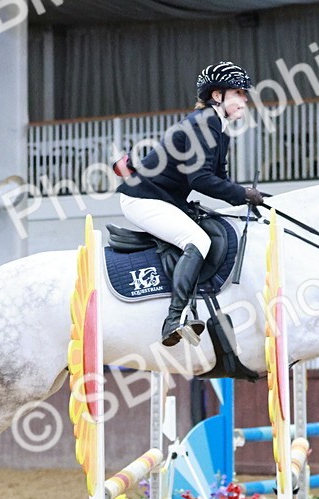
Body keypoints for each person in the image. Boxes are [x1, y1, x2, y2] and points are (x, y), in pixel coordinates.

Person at [117, 61, 266, 346]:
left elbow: (219, 177)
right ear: (217, 96)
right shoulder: (205, 122)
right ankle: (175, 318)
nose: (245, 99)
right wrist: (243, 194)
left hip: (164, 198)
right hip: (143, 198)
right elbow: (201, 180)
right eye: (239, 92)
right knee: (196, 239)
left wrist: (245, 197)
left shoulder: (218, 128)